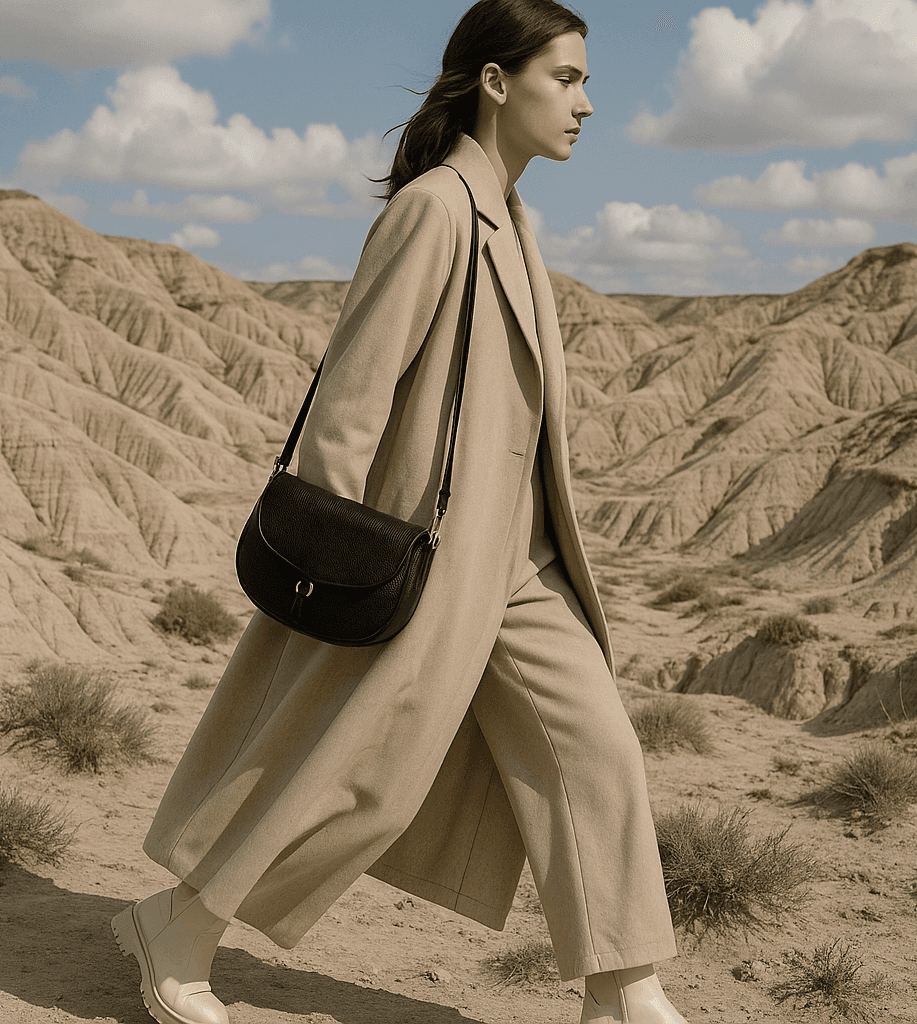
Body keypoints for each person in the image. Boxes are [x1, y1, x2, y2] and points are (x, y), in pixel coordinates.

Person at [112, 2, 688, 1022]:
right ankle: (180, 921)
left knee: (594, 746)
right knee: (348, 766)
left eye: (588, 80)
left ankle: (622, 986)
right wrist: (334, 565)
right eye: (567, 78)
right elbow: (350, 397)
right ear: (496, 82)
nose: (587, 103)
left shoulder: (511, 215)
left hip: (520, 561)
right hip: (420, 552)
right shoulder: (436, 207)